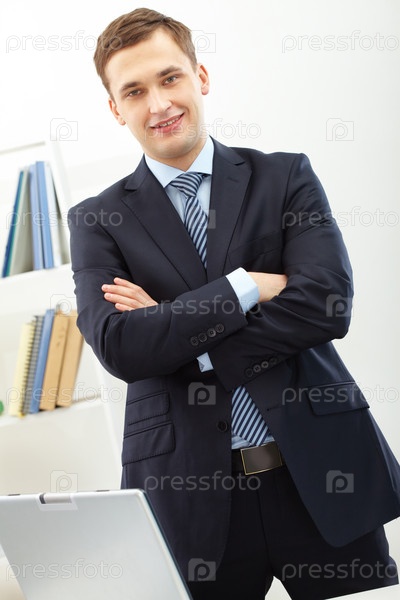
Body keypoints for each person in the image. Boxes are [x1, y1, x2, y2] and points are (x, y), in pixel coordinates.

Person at [68, 7, 400, 600]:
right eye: (135, 91)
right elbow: (122, 348)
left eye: (170, 78)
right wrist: (246, 286)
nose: (159, 104)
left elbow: (326, 305)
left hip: (322, 475)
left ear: (201, 76)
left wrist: (176, 333)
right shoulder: (98, 220)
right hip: (190, 497)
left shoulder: (285, 177)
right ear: (115, 109)